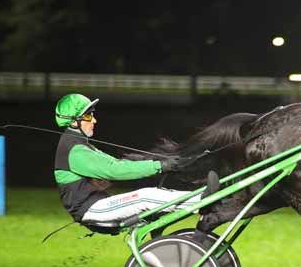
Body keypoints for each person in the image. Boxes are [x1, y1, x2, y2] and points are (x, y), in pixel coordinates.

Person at [53, 93, 199, 224]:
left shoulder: (79, 144)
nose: (94, 120)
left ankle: (202, 198)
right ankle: (203, 200)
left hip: (98, 205)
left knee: (152, 194)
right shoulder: (74, 150)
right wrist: (160, 166)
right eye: (88, 116)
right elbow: (115, 170)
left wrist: (159, 163)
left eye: (92, 114)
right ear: (73, 121)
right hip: (91, 210)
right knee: (146, 196)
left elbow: (117, 163)